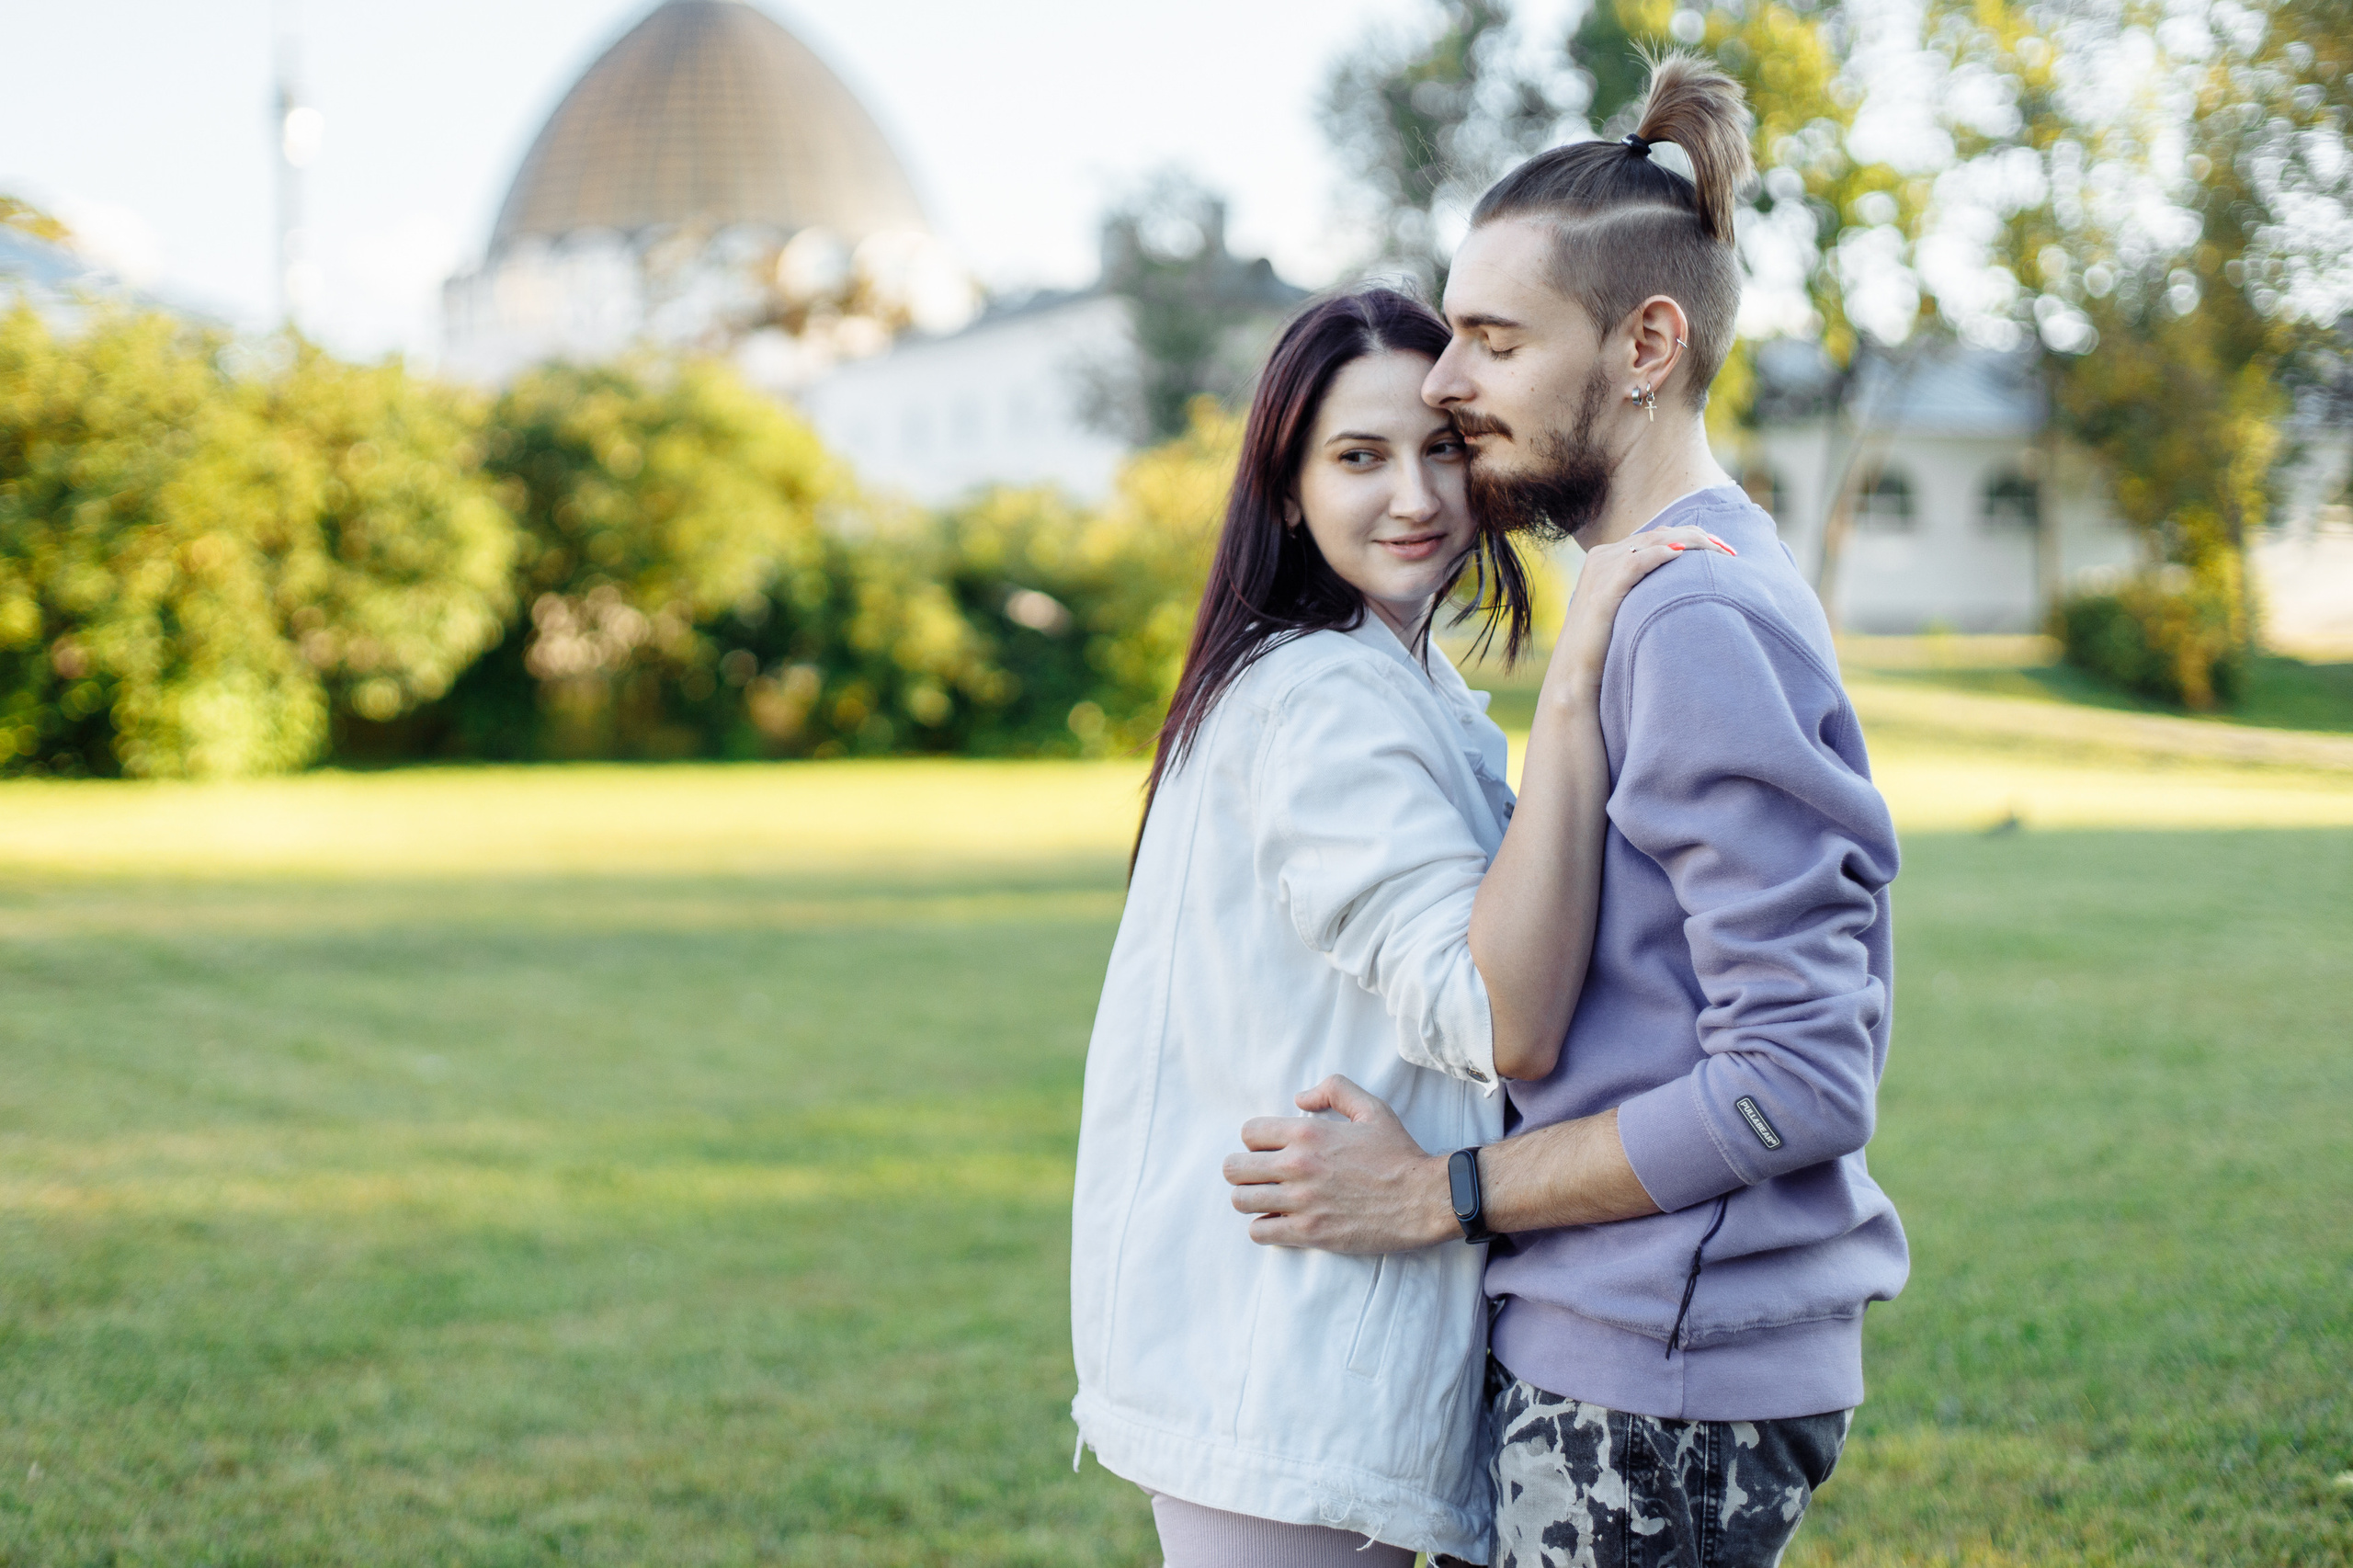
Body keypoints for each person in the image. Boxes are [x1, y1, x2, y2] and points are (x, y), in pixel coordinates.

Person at [1220, 55, 1911, 1568]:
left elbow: (1796, 1075)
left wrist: (1439, 1193)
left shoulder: (1687, 616)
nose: (1448, 386)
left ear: (1645, 343)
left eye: (1491, 338)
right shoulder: (1653, 594)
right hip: (1619, 1344)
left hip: (1661, 1374)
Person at [1069, 286, 1728, 1566]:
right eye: (1358, 457)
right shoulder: (1326, 699)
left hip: (1297, 1352)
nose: (1416, 497)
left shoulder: (1389, 678)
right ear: (1285, 489)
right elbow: (1502, 1015)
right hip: (1290, 1357)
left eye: (1440, 447)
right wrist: (1581, 682)